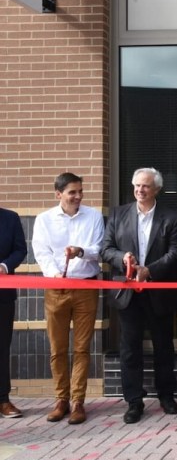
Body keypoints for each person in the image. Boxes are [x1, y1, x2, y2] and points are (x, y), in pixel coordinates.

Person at [101, 167, 177, 424]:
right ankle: (134, 401)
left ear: (156, 189)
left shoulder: (172, 218)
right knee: (129, 349)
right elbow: (106, 249)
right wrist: (121, 257)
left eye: (146, 186)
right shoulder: (118, 214)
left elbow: (176, 253)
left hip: (157, 290)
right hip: (127, 293)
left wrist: (150, 270)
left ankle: (167, 396)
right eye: (137, 185)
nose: (140, 190)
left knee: (163, 346)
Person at [31, 173, 104, 425]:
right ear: (58, 194)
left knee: (82, 348)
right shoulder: (44, 219)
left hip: (86, 286)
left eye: (80, 192)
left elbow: (98, 250)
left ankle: (78, 402)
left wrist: (80, 251)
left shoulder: (93, 216)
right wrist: (55, 276)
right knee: (57, 348)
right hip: (56, 288)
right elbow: (41, 252)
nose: (78, 197)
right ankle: (60, 399)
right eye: (72, 192)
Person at [0, 207, 27, 419]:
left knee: (2, 347)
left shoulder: (10, 218)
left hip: (3, 296)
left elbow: (20, 250)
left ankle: (3, 400)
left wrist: (4, 266)